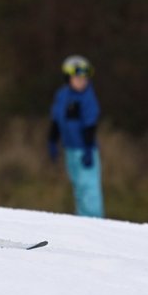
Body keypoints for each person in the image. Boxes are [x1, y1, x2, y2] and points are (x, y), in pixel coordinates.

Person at [48, 55, 104, 218]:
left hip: (84, 150)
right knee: (78, 185)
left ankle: (94, 219)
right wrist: (52, 141)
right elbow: (56, 120)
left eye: (84, 79)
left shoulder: (87, 97)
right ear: (68, 78)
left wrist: (88, 149)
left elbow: (90, 125)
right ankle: (82, 218)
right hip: (70, 149)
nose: (82, 82)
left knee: (89, 187)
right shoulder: (62, 95)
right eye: (77, 78)